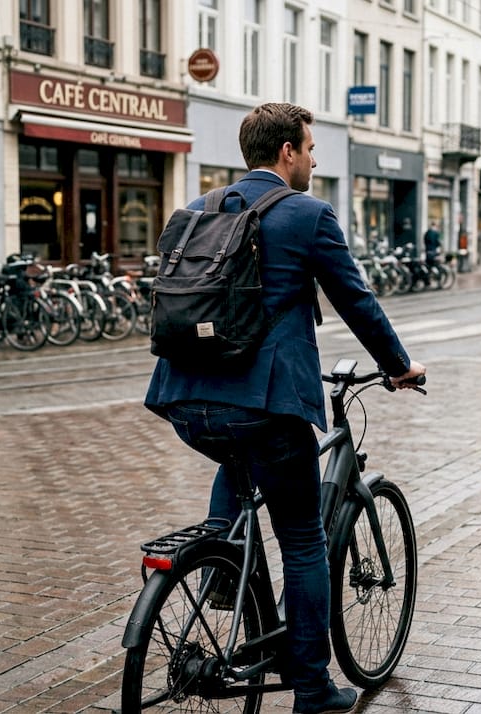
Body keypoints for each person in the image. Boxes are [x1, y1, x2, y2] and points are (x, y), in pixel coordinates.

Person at [145, 102, 426, 714]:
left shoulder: (194, 210)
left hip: (185, 400)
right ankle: (312, 687)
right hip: (266, 406)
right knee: (301, 539)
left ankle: (220, 566)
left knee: (237, 454)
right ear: (287, 153)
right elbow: (356, 300)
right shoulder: (306, 215)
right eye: (309, 146)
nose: (315, 158)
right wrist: (400, 366)